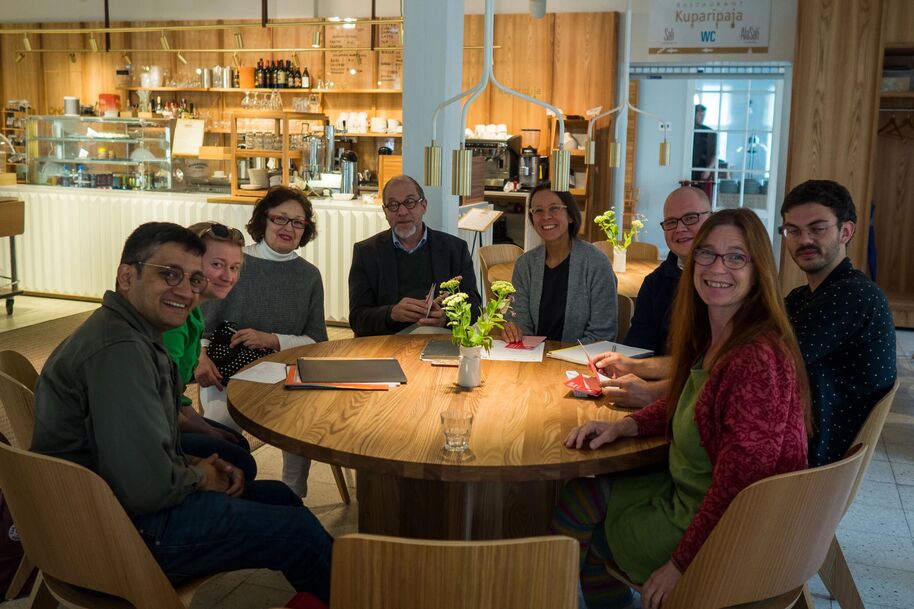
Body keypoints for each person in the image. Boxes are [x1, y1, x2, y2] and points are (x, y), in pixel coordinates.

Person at [31, 222, 332, 603]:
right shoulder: (120, 351)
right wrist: (198, 476)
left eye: (192, 279)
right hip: (118, 532)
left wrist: (192, 461)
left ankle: (324, 595)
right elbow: (144, 488)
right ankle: (356, 594)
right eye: (169, 274)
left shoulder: (128, 331)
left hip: (110, 507)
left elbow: (137, 445)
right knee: (298, 532)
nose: (186, 291)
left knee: (281, 498)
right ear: (127, 276)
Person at [552, 209, 810, 609]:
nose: (716, 267)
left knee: (588, 527)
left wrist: (679, 563)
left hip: (723, 531)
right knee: (580, 495)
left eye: (736, 257)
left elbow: (741, 487)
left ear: (758, 269)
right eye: (706, 254)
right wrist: (626, 427)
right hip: (690, 496)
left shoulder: (756, 358)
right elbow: (690, 404)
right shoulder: (720, 335)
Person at [202, 186, 328, 497]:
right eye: (280, 219)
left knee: (301, 423)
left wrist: (270, 339)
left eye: (297, 223)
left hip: (284, 371)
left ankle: (293, 493)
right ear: (264, 220)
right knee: (221, 431)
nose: (288, 228)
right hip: (229, 371)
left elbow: (316, 340)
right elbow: (203, 326)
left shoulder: (309, 276)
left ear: (306, 230)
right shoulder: (236, 264)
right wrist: (200, 357)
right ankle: (228, 495)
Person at [780, 179, 896, 466]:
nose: (803, 240)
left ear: (846, 231)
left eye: (817, 229)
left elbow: (765, 361)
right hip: (806, 441)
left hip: (814, 462)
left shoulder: (852, 295)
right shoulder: (804, 296)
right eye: (793, 230)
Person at [161, 221, 256, 482]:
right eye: (217, 264)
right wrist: (208, 432)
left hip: (168, 415)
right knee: (240, 457)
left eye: (234, 268)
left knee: (237, 443)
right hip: (153, 434)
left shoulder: (194, 317)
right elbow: (160, 406)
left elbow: (177, 396)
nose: (228, 276)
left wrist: (204, 428)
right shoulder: (173, 322)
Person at [348, 174, 481, 337]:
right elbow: (357, 319)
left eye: (410, 202)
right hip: (386, 344)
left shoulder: (454, 249)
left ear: (423, 205)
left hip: (439, 341)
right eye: (393, 205)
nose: (402, 212)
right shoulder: (367, 253)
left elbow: (475, 308)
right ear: (385, 211)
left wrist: (446, 318)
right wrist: (391, 313)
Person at [503, 182, 617, 343]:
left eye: (554, 208)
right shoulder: (525, 265)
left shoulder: (596, 263)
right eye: (538, 211)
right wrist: (514, 332)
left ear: (570, 215)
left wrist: (558, 358)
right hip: (532, 358)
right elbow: (519, 324)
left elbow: (602, 335)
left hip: (579, 361)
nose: (546, 216)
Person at [624, 186, 711, 354]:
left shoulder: (724, 281)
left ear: (711, 219)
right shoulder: (654, 283)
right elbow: (637, 348)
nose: (680, 229)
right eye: (671, 222)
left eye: (690, 218)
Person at [691, 104, 717, 182]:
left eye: (704, 115)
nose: (702, 118)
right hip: (688, 168)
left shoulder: (709, 132)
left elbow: (715, 154)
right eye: (700, 115)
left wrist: (708, 169)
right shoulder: (687, 130)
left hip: (703, 170)